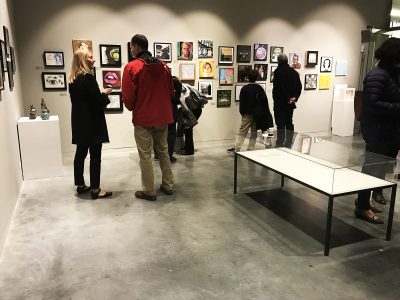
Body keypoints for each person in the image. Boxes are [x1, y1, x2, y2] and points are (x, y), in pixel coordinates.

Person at [122, 34, 174, 201]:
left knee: (145, 156)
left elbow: (128, 97)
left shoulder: (132, 67)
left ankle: (149, 191)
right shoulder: (164, 66)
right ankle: (168, 185)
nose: (131, 50)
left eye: (132, 47)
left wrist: (133, 107)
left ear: (137, 47)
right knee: (164, 152)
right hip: (162, 116)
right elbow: (170, 91)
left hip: (143, 117)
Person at [354, 37, 400, 224]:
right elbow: (372, 104)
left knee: (380, 168)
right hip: (378, 131)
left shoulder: (391, 74)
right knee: (371, 168)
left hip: (389, 130)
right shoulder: (377, 75)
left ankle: (367, 200)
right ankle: (362, 206)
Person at [68, 48, 112, 199]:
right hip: (92, 124)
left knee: (80, 154)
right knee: (95, 156)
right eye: (91, 57)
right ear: (83, 60)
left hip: (79, 123)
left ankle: (80, 185)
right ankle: (95, 189)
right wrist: (105, 94)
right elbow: (97, 102)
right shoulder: (88, 78)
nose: (94, 60)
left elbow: (82, 103)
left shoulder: (73, 80)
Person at [227, 70, 273, 152]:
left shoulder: (245, 88)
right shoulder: (259, 88)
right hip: (257, 114)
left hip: (247, 114)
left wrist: (242, 113)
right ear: (256, 78)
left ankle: (237, 147)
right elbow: (264, 102)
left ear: (248, 78)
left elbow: (242, 103)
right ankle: (251, 148)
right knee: (253, 133)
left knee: (242, 131)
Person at [272, 53, 302, 147]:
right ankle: (289, 142)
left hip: (280, 102)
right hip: (290, 103)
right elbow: (299, 87)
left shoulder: (277, 71)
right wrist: (294, 98)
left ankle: (280, 142)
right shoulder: (293, 72)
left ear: (279, 61)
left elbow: (279, 88)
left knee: (280, 123)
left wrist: (287, 98)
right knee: (289, 122)